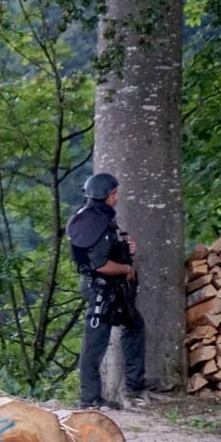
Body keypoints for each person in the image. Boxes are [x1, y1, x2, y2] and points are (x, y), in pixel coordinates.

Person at [65, 173, 146, 409]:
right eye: (114, 193)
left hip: (111, 289)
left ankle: (133, 388)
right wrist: (126, 267)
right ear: (107, 195)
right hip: (102, 290)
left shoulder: (94, 218)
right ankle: (90, 398)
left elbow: (104, 249)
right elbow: (99, 264)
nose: (117, 197)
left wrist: (124, 247)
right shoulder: (96, 221)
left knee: (134, 325)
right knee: (95, 342)